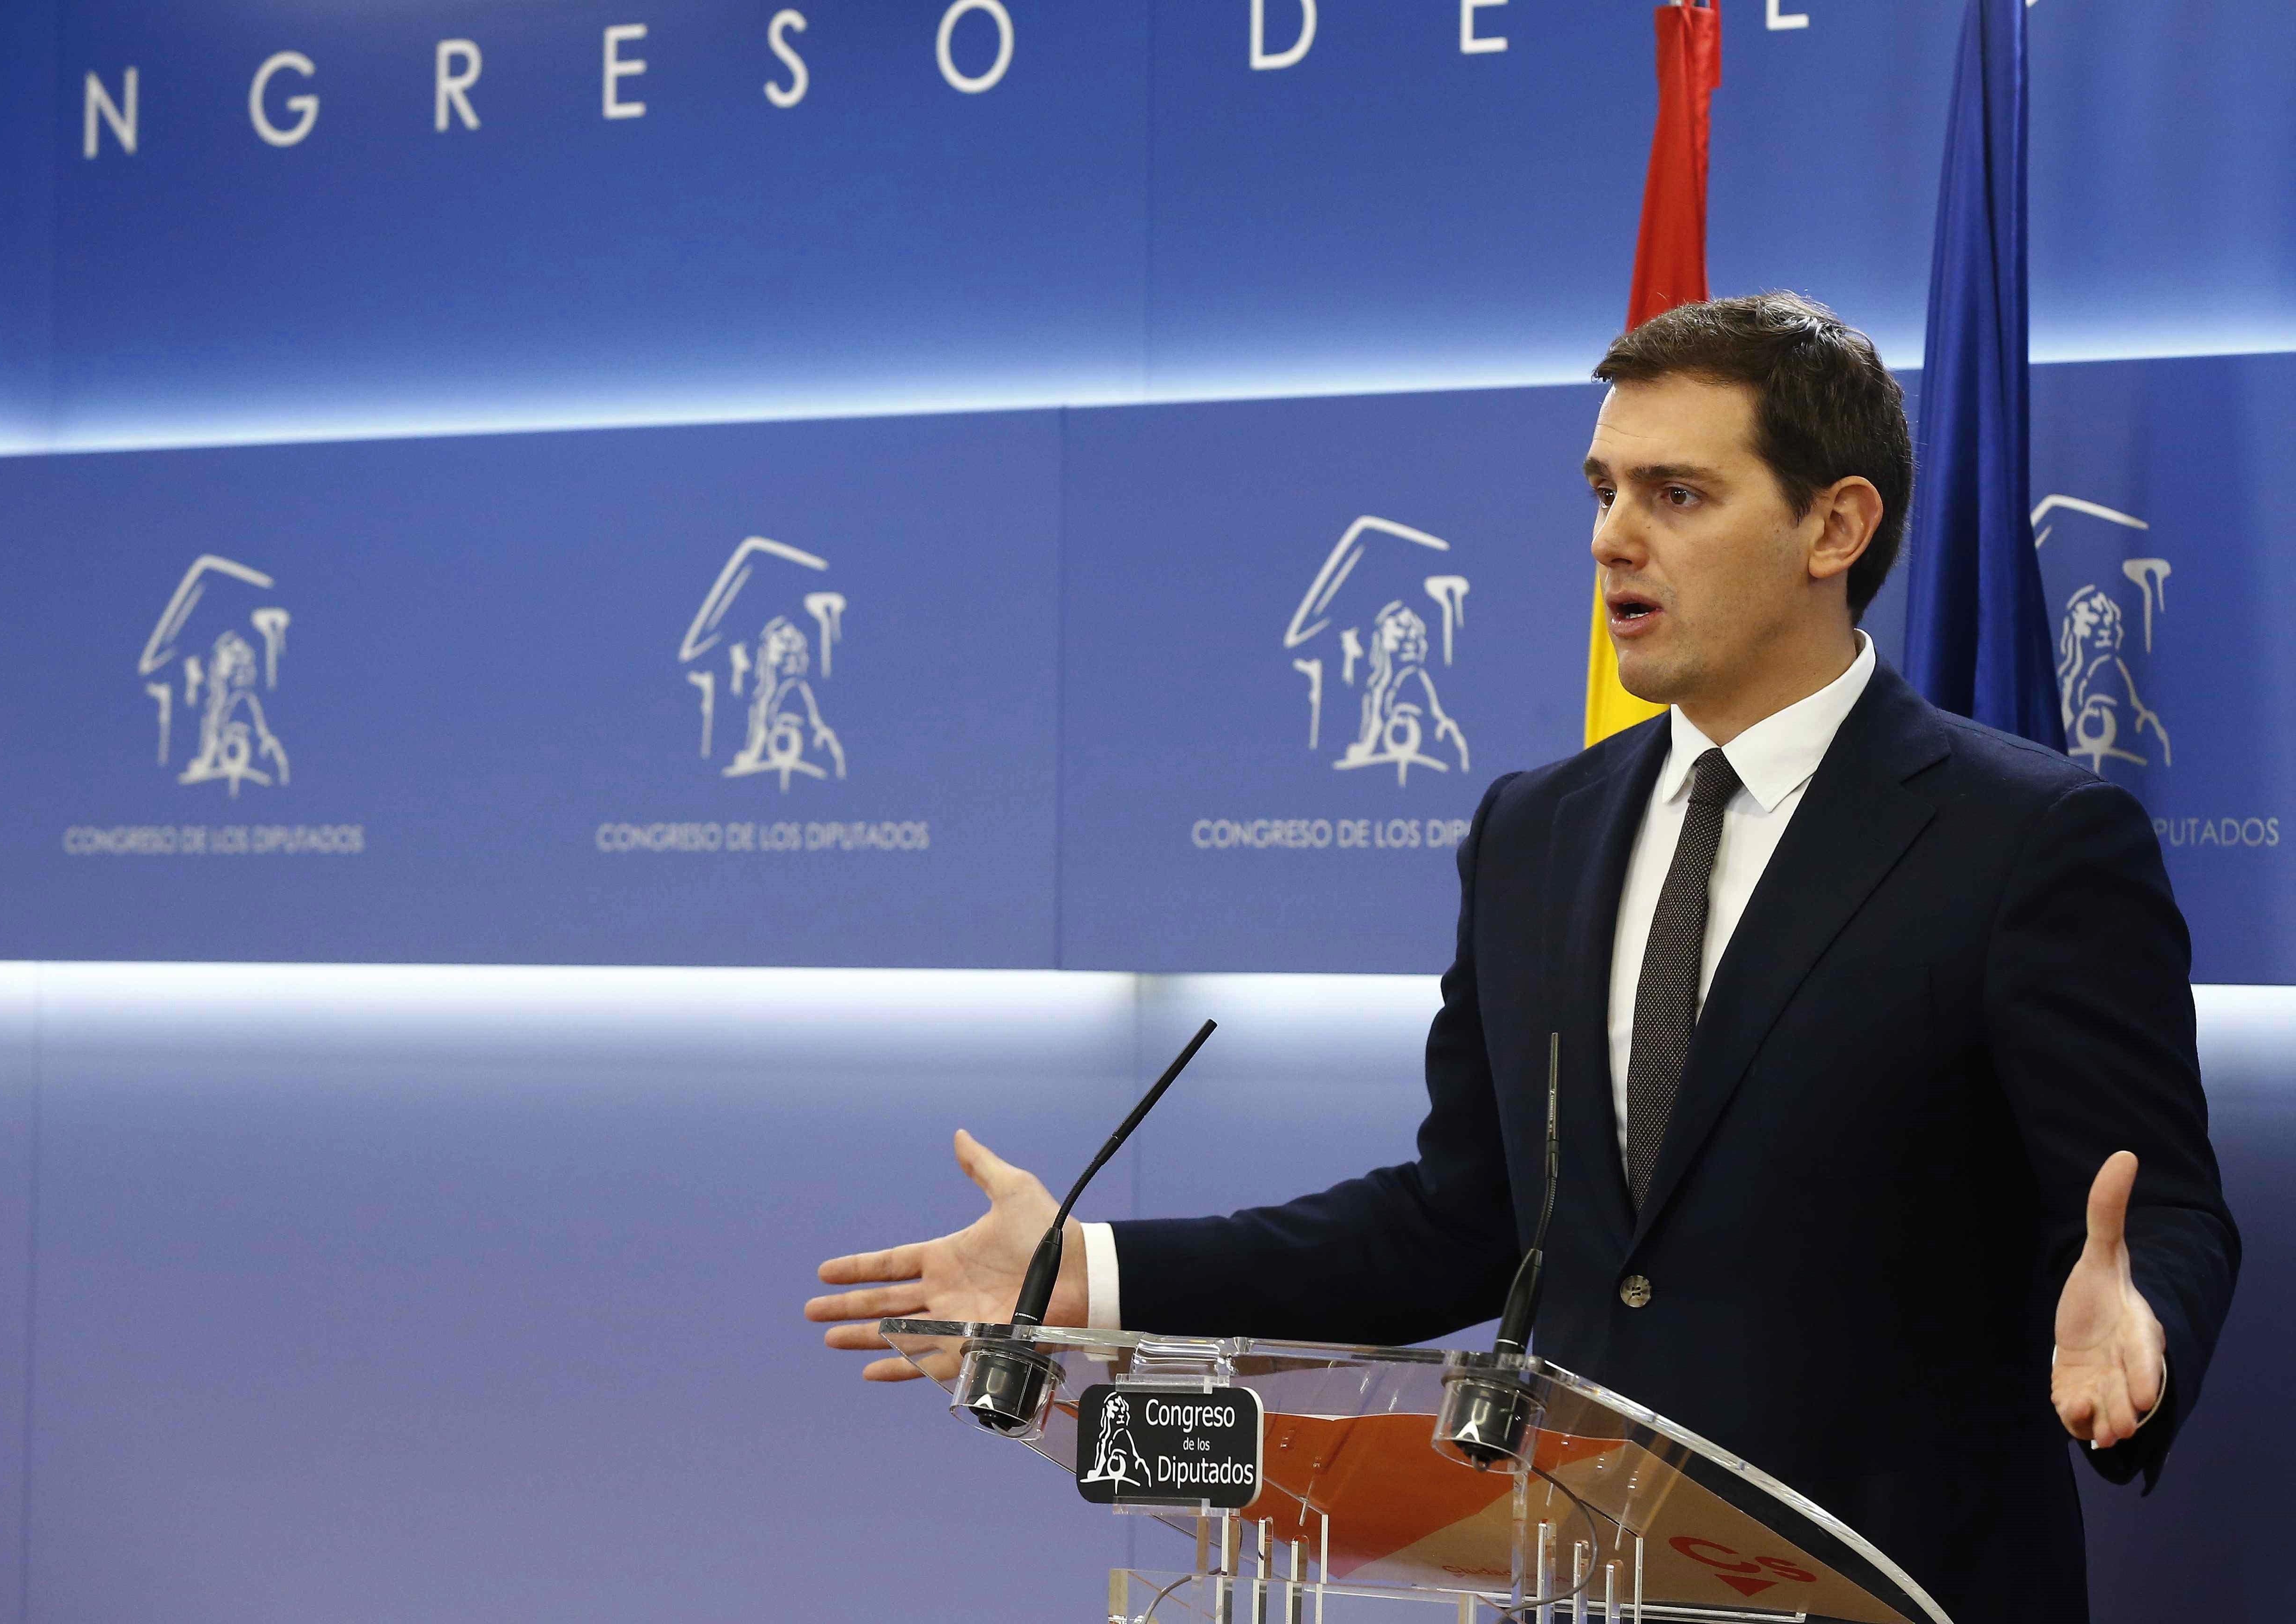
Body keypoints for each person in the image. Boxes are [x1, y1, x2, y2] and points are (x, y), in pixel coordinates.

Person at [806, 293, 2239, 1619]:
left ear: (1835, 526)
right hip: (1576, 1580)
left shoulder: (2030, 839)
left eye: (1678, 495)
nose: (1615, 537)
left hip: (1894, 1586)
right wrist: (1089, 1279)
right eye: (1605, 491)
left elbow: (2155, 1209)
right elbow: (1466, 1221)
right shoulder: (1536, 832)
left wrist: (2144, 1329)